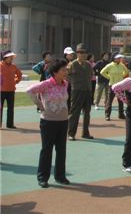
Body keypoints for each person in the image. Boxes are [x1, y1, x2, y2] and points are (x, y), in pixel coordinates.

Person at [26, 59, 70, 188]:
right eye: (63, 70)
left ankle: (60, 176)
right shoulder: (46, 84)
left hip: (63, 121)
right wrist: (40, 105)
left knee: (61, 150)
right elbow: (29, 91)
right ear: (55, 72)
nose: (65, 72)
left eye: (66, 69)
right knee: (47, 150)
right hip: (48, 121)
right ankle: (42, 177)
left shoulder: (65, 84)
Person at [66, 44, 94, 140]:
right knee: (75, 113)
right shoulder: (72, 64)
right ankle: (71, 133)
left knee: (87, 113)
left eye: (85, 53)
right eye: (81, 52)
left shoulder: (88, 65)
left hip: (87, 90)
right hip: (77, 91)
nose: (83, 54)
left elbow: (91, 75)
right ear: (77, 53)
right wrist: (73, 82)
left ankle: (85, 133)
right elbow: (66, 75)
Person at [101, 53, 129, 121]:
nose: (119, 59)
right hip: (112, 85)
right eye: (118, 58)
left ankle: (121, 115)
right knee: (109, 101)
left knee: (121, 100)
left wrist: (122, 76)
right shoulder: (110, 65)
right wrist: (109, 77)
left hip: (120, 85)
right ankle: (107, 115)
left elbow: (126, 72)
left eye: (120, 58)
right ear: (114, 58)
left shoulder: (122, 65)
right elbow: (102, 72)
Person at [0, 50, 22, 129]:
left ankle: (10, 124)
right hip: (1, 91)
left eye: (12, 57)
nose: (12, 59)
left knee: (10, 108)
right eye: (10, 57)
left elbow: (19, 75)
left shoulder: (14, 66)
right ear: (5, 57)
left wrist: (16, 81)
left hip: (11, 91)